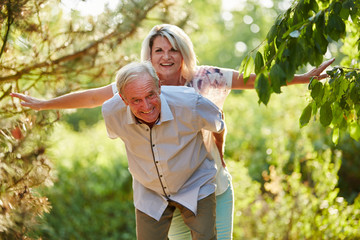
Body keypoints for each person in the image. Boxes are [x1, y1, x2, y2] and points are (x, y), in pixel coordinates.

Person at [10, 24, 335, 240]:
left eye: (172, 49)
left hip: (209, 187)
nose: (166, 56)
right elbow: (93, 96)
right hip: (165, 196)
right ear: (149, 57)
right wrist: (42, 104)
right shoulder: (136, 85)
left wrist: (304, 77)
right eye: (158, 51)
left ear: (183, 52)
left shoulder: (204, 78)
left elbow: (253, 80)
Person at [103, 61, 224, 240]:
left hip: (194, 182)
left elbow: (218, 123)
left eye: (150, 95)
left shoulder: (190, 103)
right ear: (123, 98)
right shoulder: (111, 112)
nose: (146, 106)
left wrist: (220, 154)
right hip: (149, 188)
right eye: (136, 100)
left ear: (159, 86)